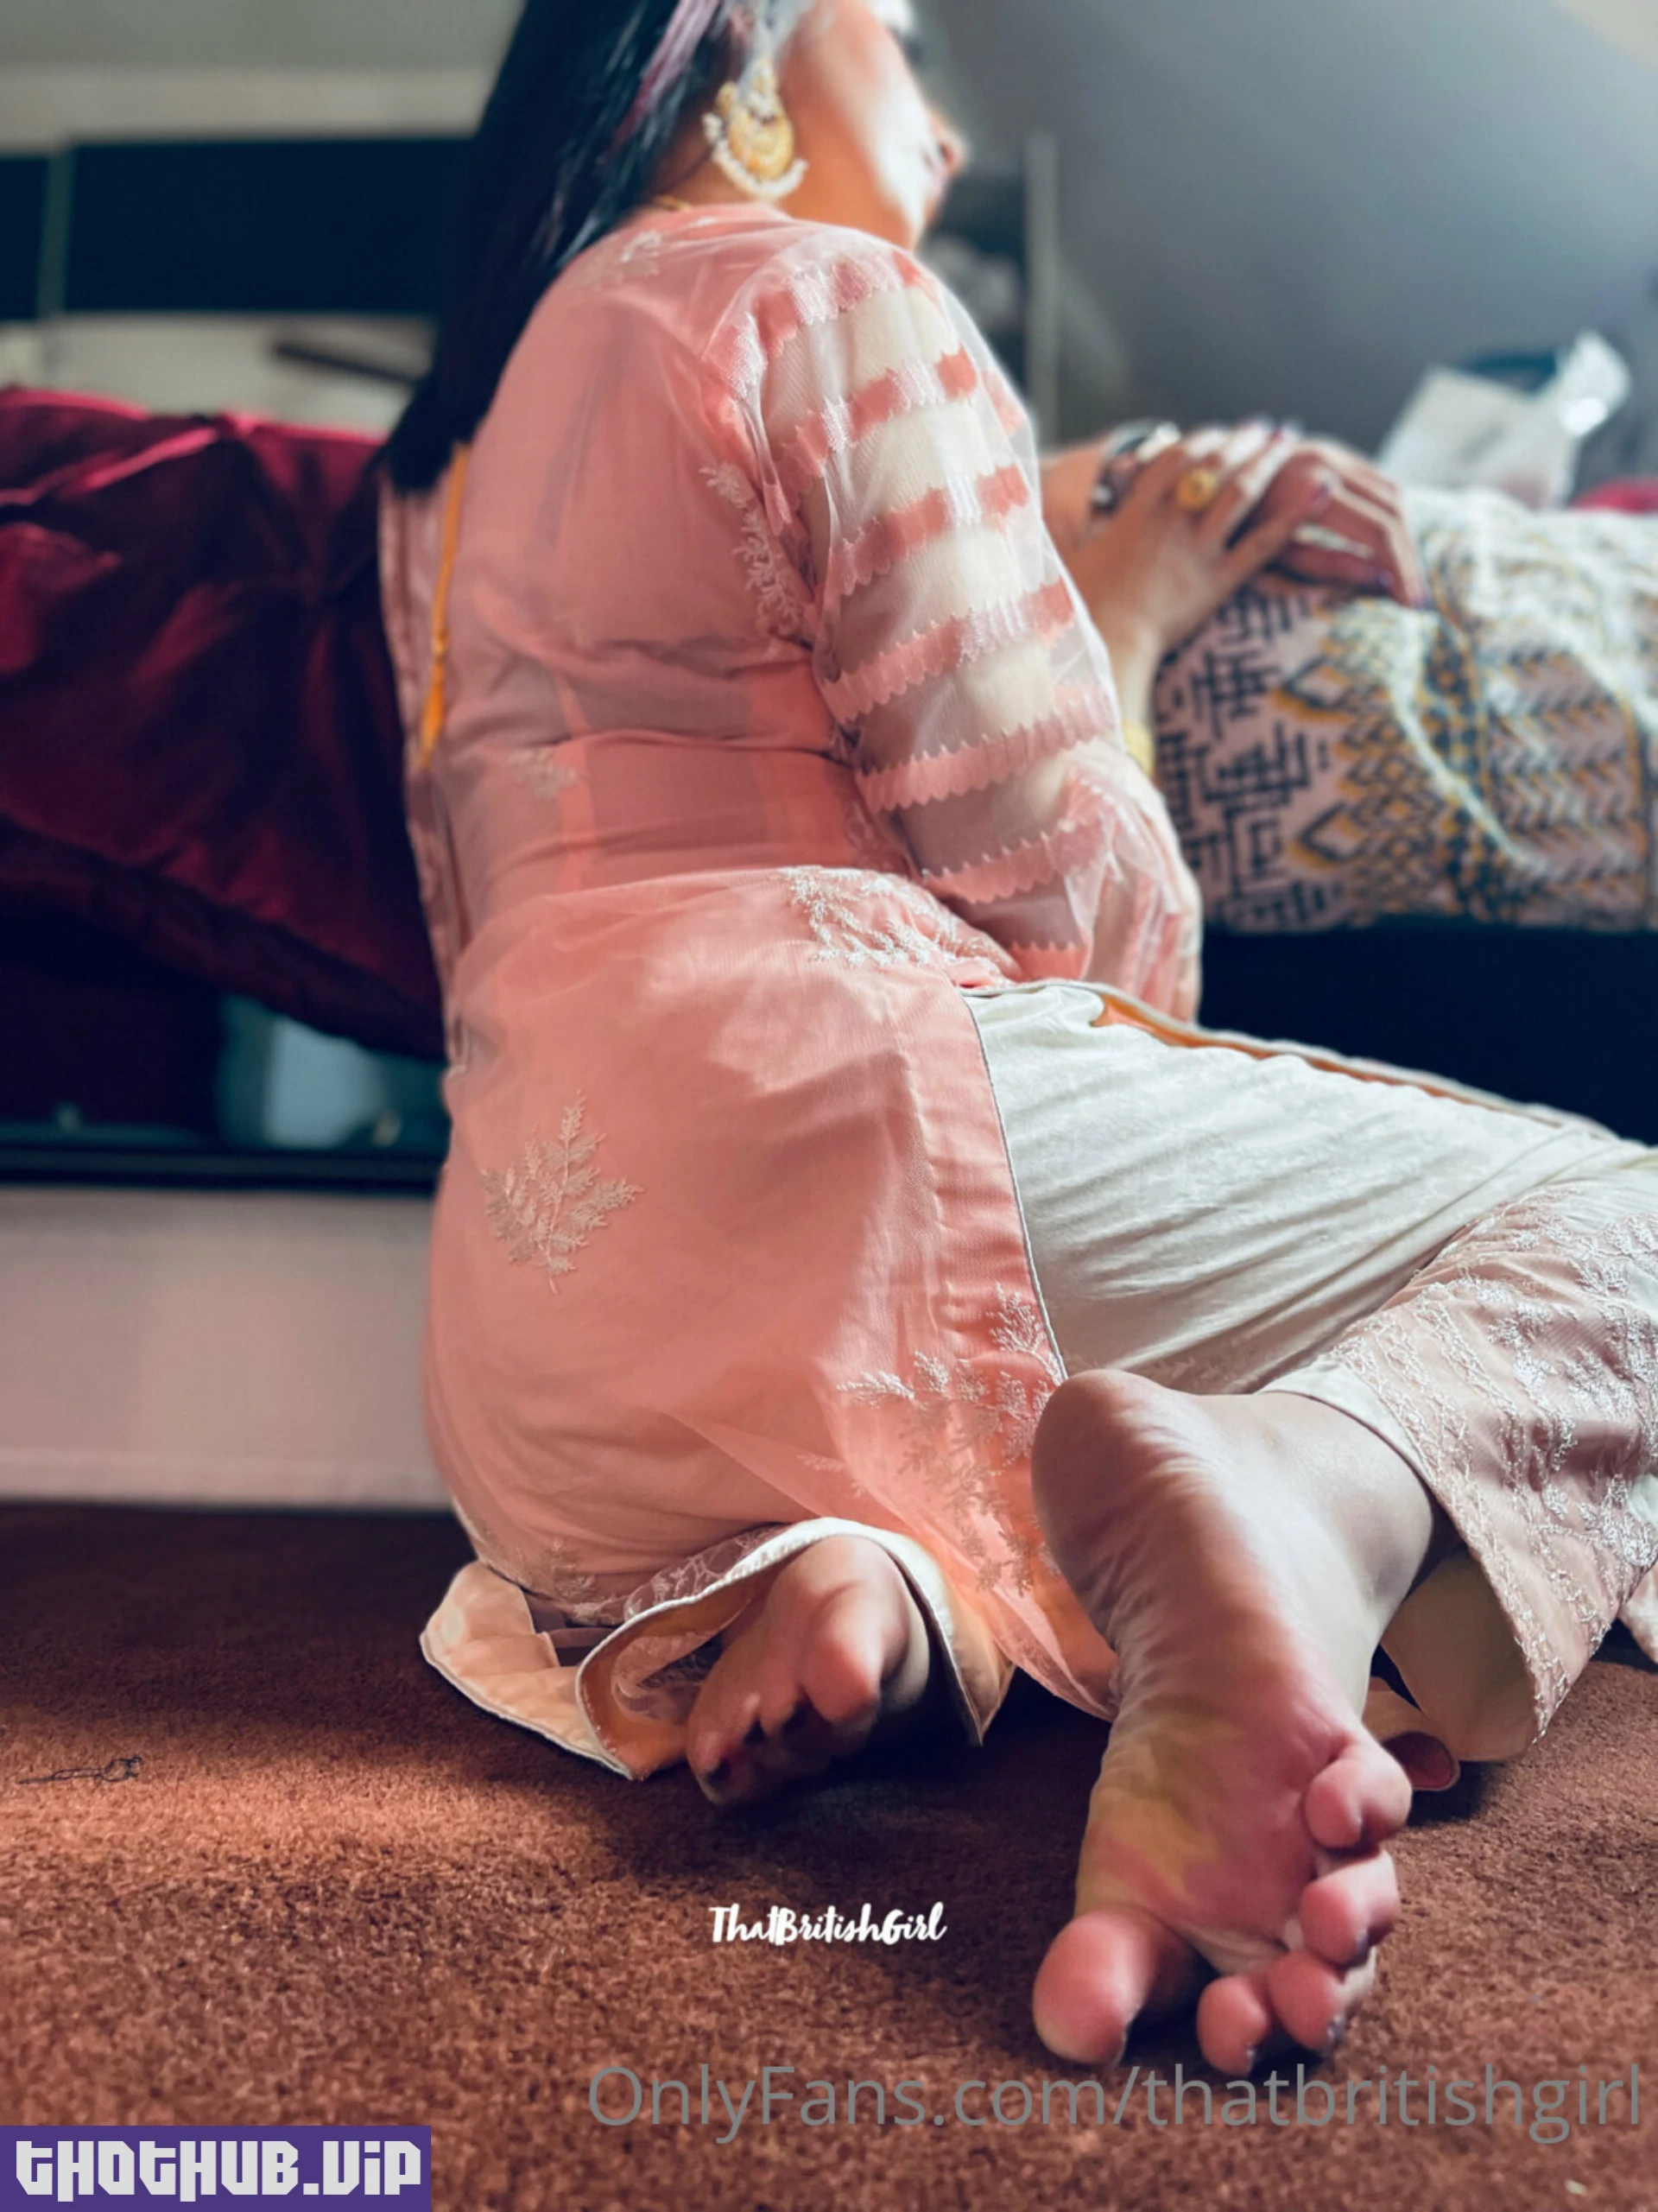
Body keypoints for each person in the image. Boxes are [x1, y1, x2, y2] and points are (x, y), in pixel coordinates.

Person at [379, 0, 1658, 2078]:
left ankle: (871, 1592)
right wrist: (1122, 606)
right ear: (746, 37)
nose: (946, 125)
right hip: (828, 1122)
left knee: (938, 1407)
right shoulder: (820, 292)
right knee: (1626, 1225)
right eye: (896, 33)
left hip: (532, 1369)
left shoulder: (437, 468)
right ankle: (1313, 1495)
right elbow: (1088, 915)